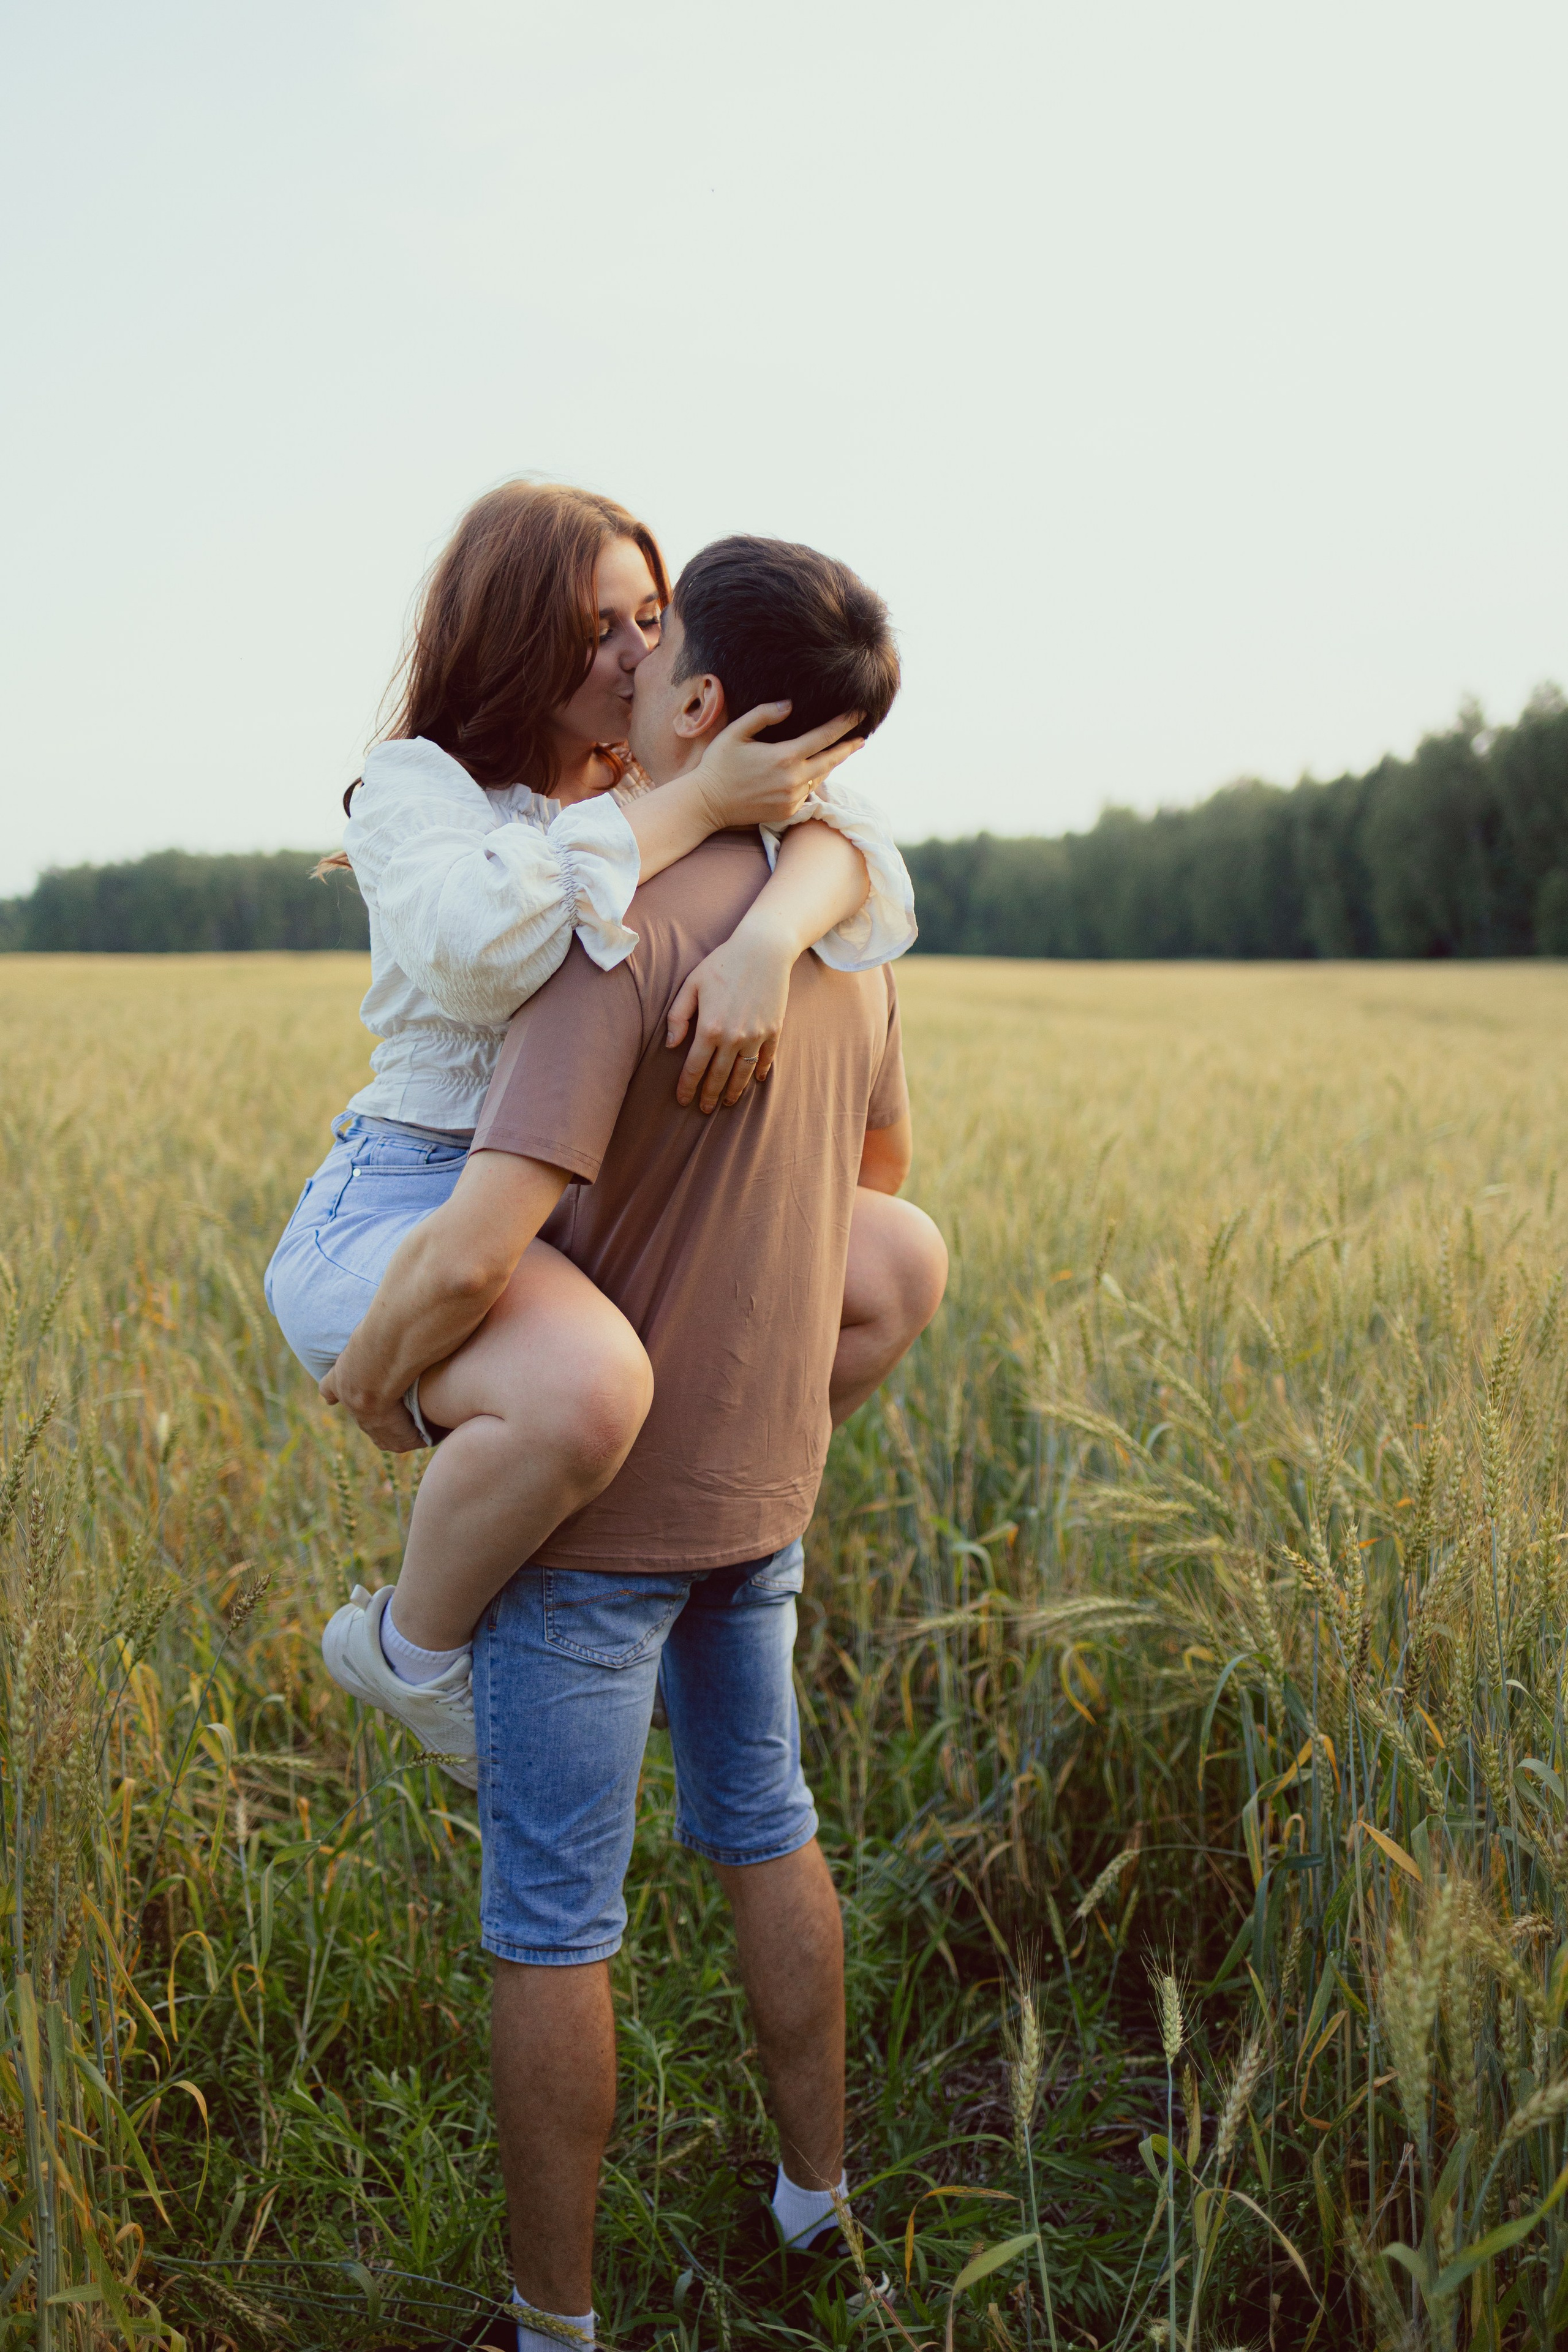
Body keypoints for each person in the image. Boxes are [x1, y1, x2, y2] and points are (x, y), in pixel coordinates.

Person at [327, 532, 948, 2350]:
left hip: (592, 1531)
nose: (623, 654)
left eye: (649, 632)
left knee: (554, 1924)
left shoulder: (609, 947)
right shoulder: (844, 946)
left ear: (694, 701)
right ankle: (819, 2211)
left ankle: (556, 2328)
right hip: (760, 1498)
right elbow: (875, 1194)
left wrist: (380, 1379)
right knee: (769, 1824)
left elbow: (483, 1240)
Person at [263, 482, 929, 1779]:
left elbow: (861, 841)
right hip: (409, 1203)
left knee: (895, 1261)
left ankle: (696, 1521)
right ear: (508, 637)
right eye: (596, 628)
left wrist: (762, 943)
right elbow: (480, 951)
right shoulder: (420, 793)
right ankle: (411, 1648)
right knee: (586, 1389)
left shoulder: (649, 771)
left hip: (566, 1212)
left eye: (648, 618)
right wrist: (690, 807)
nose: (634, 654)